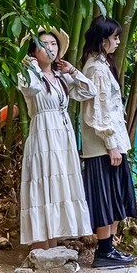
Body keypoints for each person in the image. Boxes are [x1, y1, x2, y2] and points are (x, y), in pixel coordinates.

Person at [17, 27, 95, 250]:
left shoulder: (61, 77)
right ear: (33, 50)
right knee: (43, 184)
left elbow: (89, 92)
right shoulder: (28, 74)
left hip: (63, 136)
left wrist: (73, 70)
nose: (49, 48)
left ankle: (54, 244)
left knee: (59, 183)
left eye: (53, 44)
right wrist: (31, 65)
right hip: (42, 134)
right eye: (43, 45)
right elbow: (30, 89)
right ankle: (41, 248)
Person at [79, 16, 137, 268]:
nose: (118, 42)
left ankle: (109, 249)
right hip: (103, 146)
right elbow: (97, 112)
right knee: (105, 196)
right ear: (103, 41)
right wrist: (111, 143)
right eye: (114, 38)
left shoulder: (100, 65)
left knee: (114, 195)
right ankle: (103, 252)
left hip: (110, 144)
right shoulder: (96, 69)